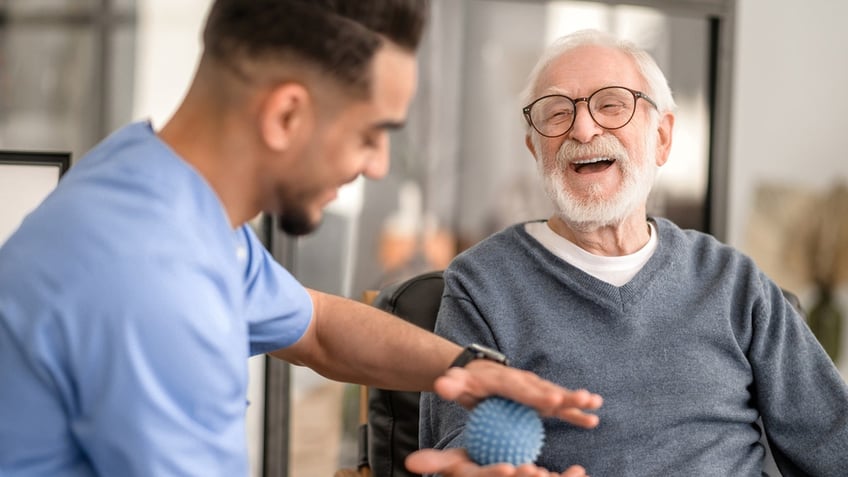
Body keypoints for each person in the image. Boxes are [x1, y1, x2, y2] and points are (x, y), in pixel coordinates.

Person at [0, 2, 604, 476]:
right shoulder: (152, 285)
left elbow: (316, 326)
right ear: (287, 115)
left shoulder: (158, 193)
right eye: (372, 133)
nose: (377, 165)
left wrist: (469, 369)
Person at [420, 28, 848, 476]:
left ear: (661, 137)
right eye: (556, 113)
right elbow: (454, 457)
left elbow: (833, 446)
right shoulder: (482, 284)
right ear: (534, 148)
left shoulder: (734, 282)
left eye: (611, 104)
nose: (582, 129)